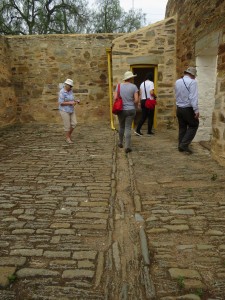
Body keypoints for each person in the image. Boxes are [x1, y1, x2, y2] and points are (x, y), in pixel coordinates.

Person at [175, 67, 199, 154]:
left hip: (179, 108)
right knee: (194, 125)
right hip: (188, 108)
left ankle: (180, 145)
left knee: (182, 127)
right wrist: (196, 110)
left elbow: (176, 94)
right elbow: (193, 97)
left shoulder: (177, 81)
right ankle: (184, 145)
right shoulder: (193, 82)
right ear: (192, 74)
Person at [113, 71, 139, 153]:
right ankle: (127, 146)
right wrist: (131, 102)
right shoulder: (134, 87)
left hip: (121, 110)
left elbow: (115, 98)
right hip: (131, 110)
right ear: (130, 78)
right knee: (128, 127)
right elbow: (136, 100)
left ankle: (120, 142)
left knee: (121, 126)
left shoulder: (119, 86)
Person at [58, 78, 79, 144]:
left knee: (74, 123)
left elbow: (71, 99)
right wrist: (71, 103)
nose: (71, 87)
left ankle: (68, 135)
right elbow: (61, 102)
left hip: (71, 109)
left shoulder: (70, 91)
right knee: (67, 126)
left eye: (71, 86)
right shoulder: (62, 92)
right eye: (70, 86)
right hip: (64, 110)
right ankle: (68, 138)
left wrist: (76, 101)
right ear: (66, 85)